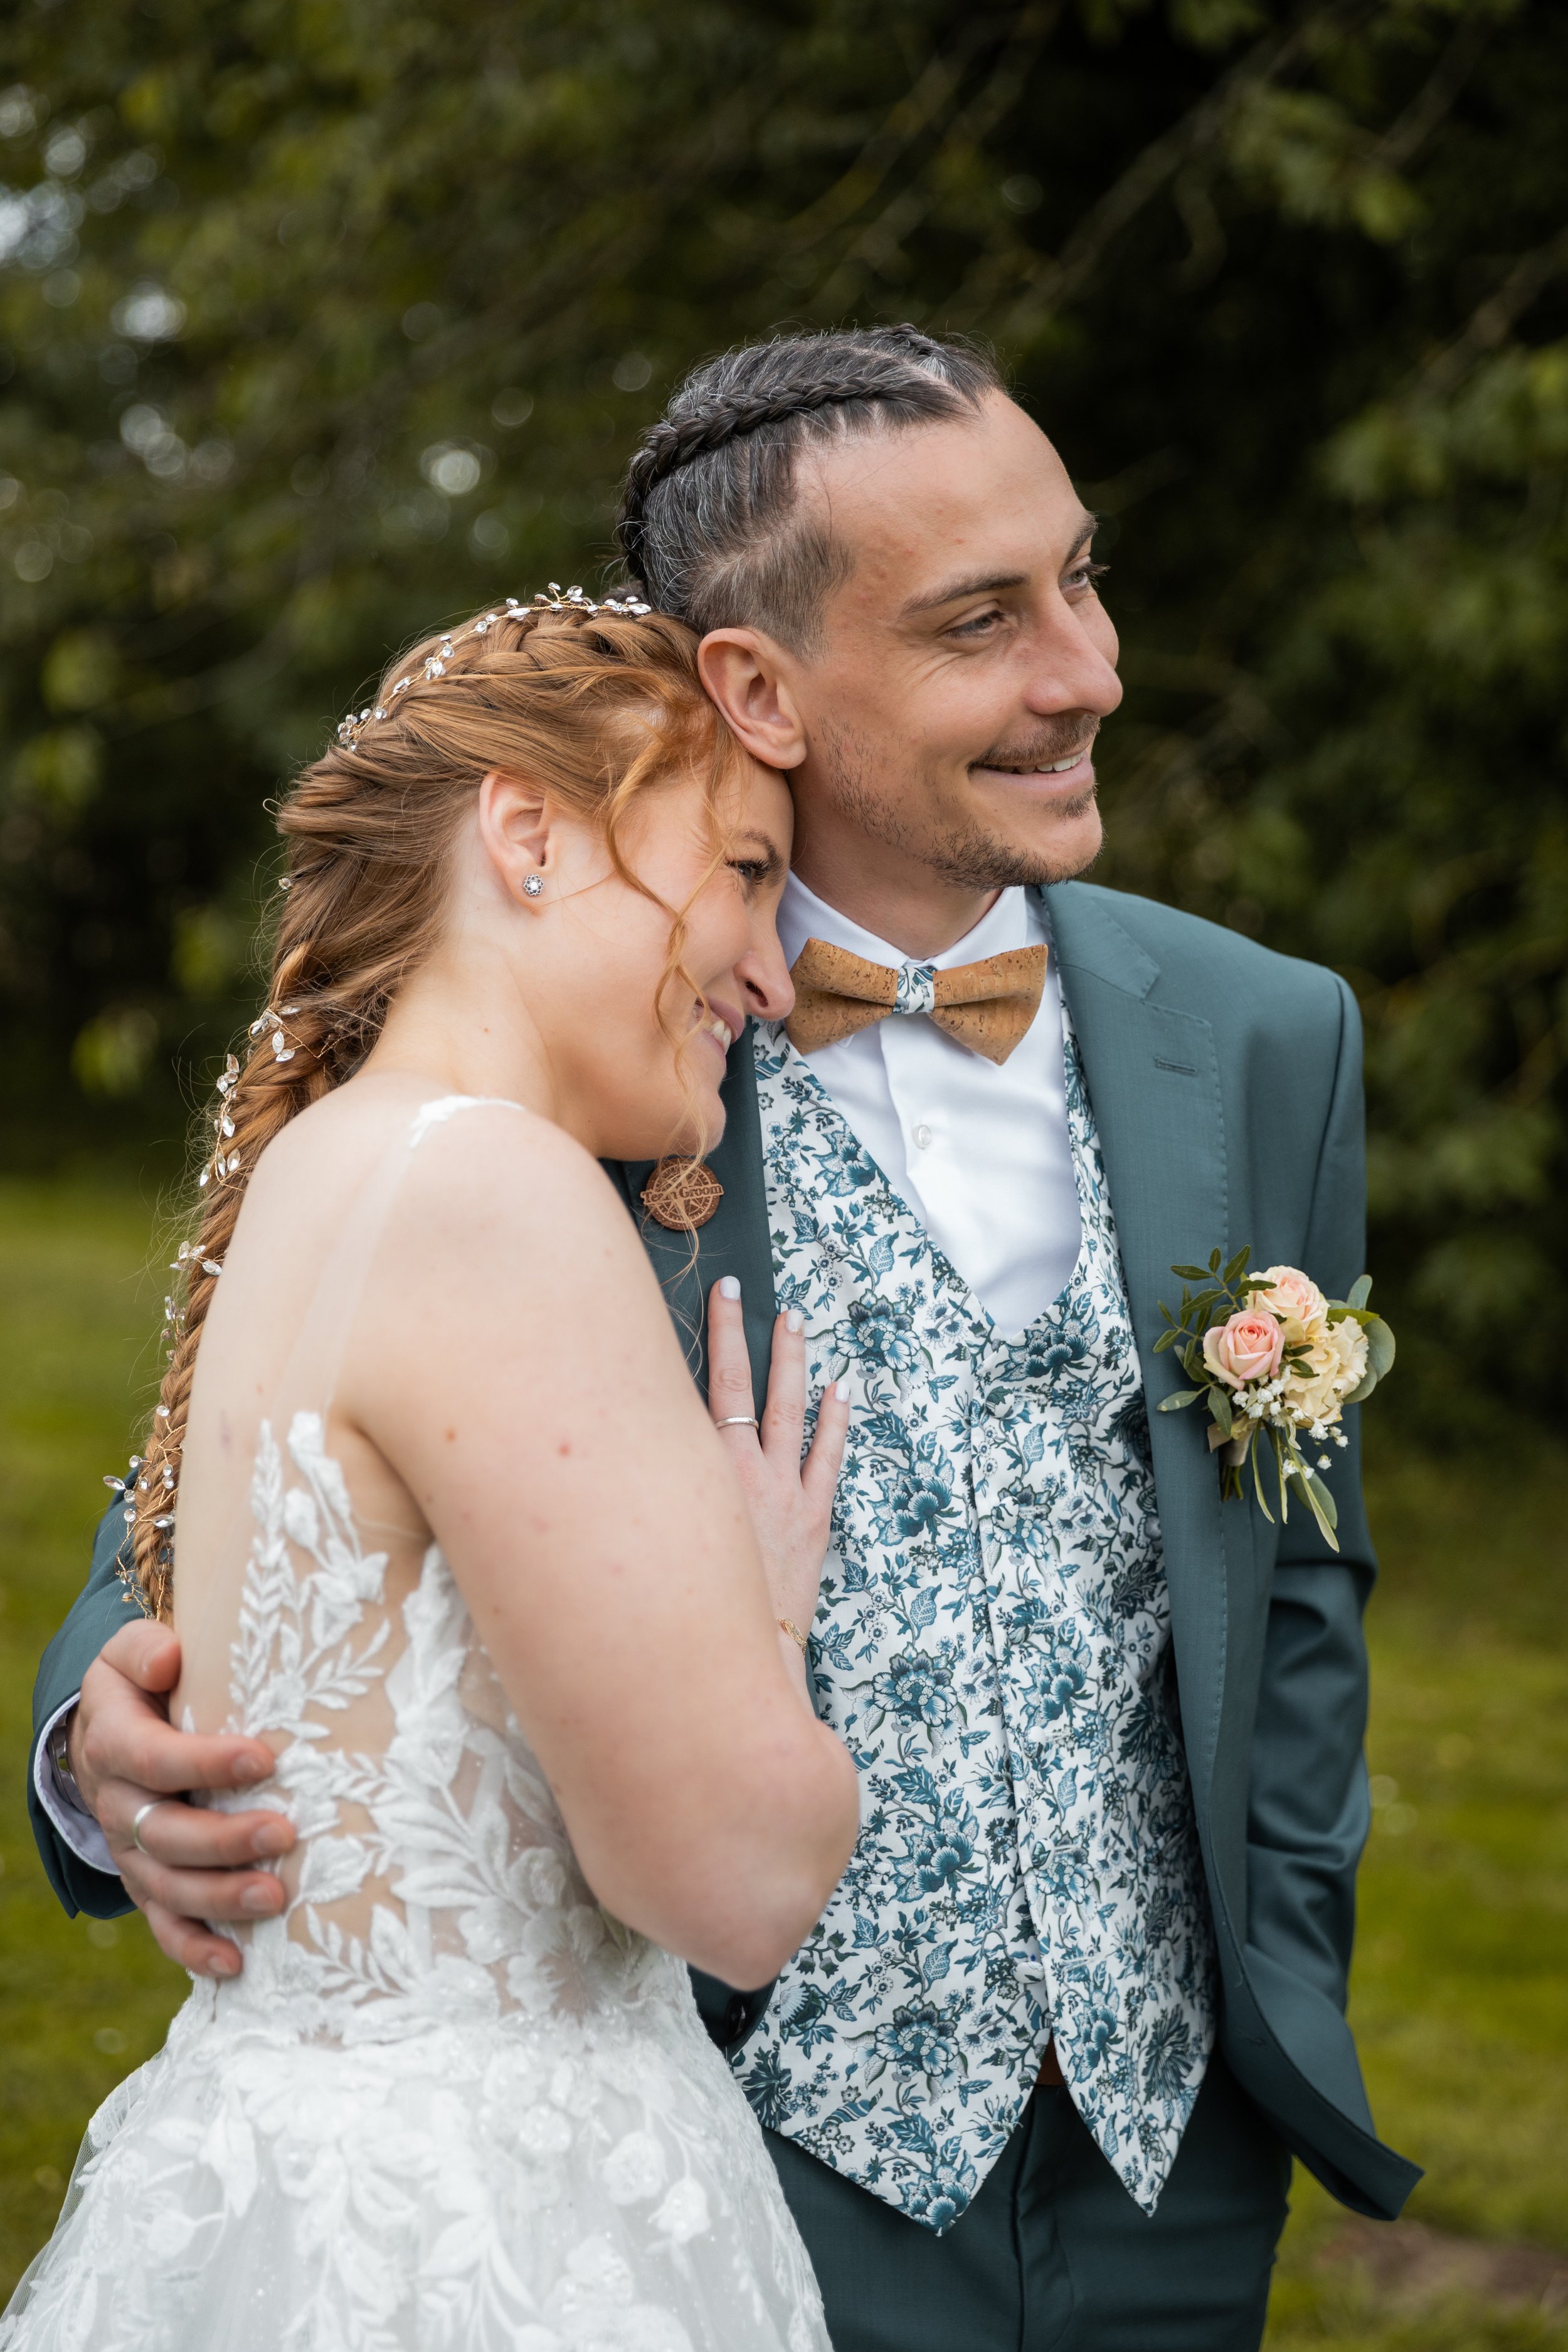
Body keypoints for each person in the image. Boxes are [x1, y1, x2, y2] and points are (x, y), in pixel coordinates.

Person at [29, 326, 1422, 2349]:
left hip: (1168, 2163)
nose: (1088, 669)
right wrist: (103, 1748)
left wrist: (1266, 1975)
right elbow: (231, 1463)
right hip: (747, 2152)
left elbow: (1297, 1580)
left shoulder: (1266, 1036)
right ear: (757, 688)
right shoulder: (574, 1050)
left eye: (1082, 576)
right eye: (982, 621)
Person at [7, 593, 861, 2351]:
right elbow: (733, 1886)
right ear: (533, 835)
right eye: (748, 870)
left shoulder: (342, 1160)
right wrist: (760, 1606)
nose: (773, 975)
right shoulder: (496, 1189)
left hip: (294, 2172)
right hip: (490, 2234)